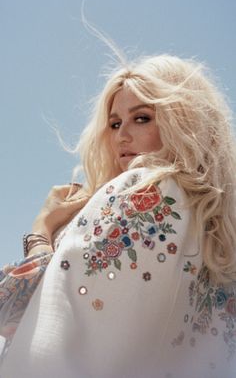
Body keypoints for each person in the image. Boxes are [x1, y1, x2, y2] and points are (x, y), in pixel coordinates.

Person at [0, 53, 236, 378]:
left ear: (184, 121)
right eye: (114, 124)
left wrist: (43, 229)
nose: (122, 136)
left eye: (142, 118)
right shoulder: (220, 232)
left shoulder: (143, 187)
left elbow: (21, 311)